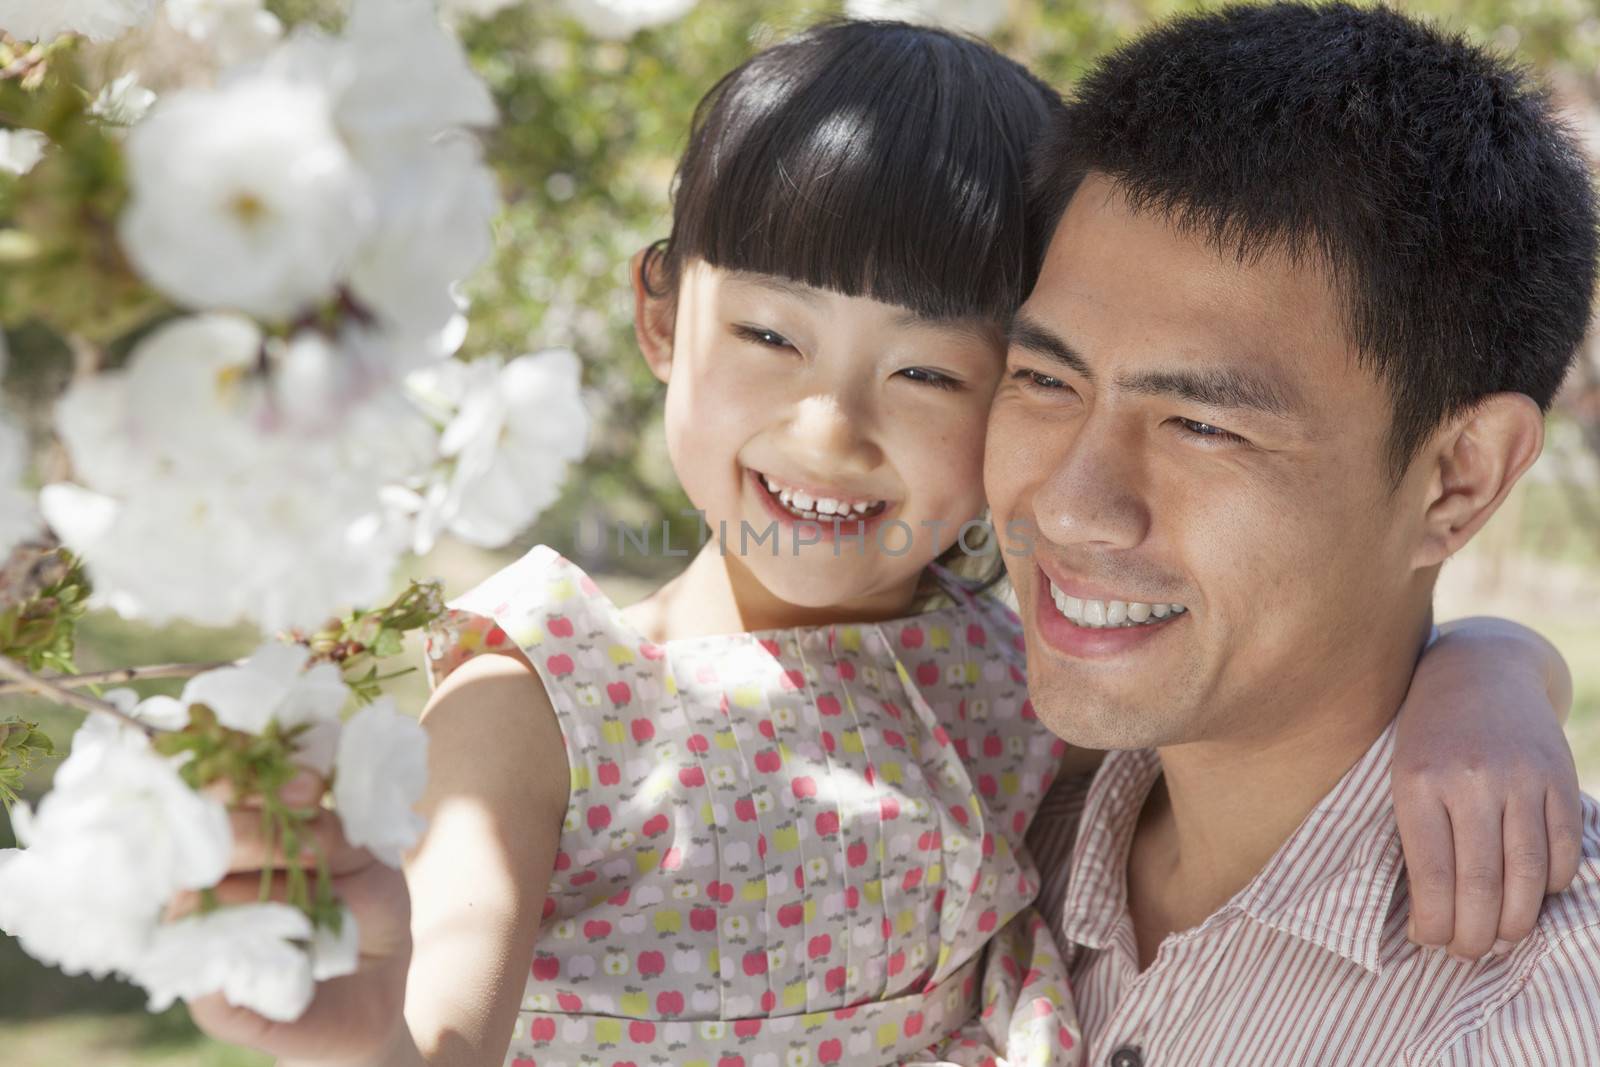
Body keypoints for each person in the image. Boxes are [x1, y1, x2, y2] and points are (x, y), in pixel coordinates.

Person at [187, 18, 1580, 1067]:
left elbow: (1305, 686)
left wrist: (1491, 663)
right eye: (771, 335)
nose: (829, 425)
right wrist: (374, 1032)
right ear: (664, 317)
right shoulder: (550, 686)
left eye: (931, 373)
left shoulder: (1007, 683)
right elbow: (448, 981)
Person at [991, 4, 1600, 1063]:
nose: (1070, 505)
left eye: (1202, 424)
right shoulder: (980, 806)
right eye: (1044, 377)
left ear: (1456, 480)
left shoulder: (1538, 1008)